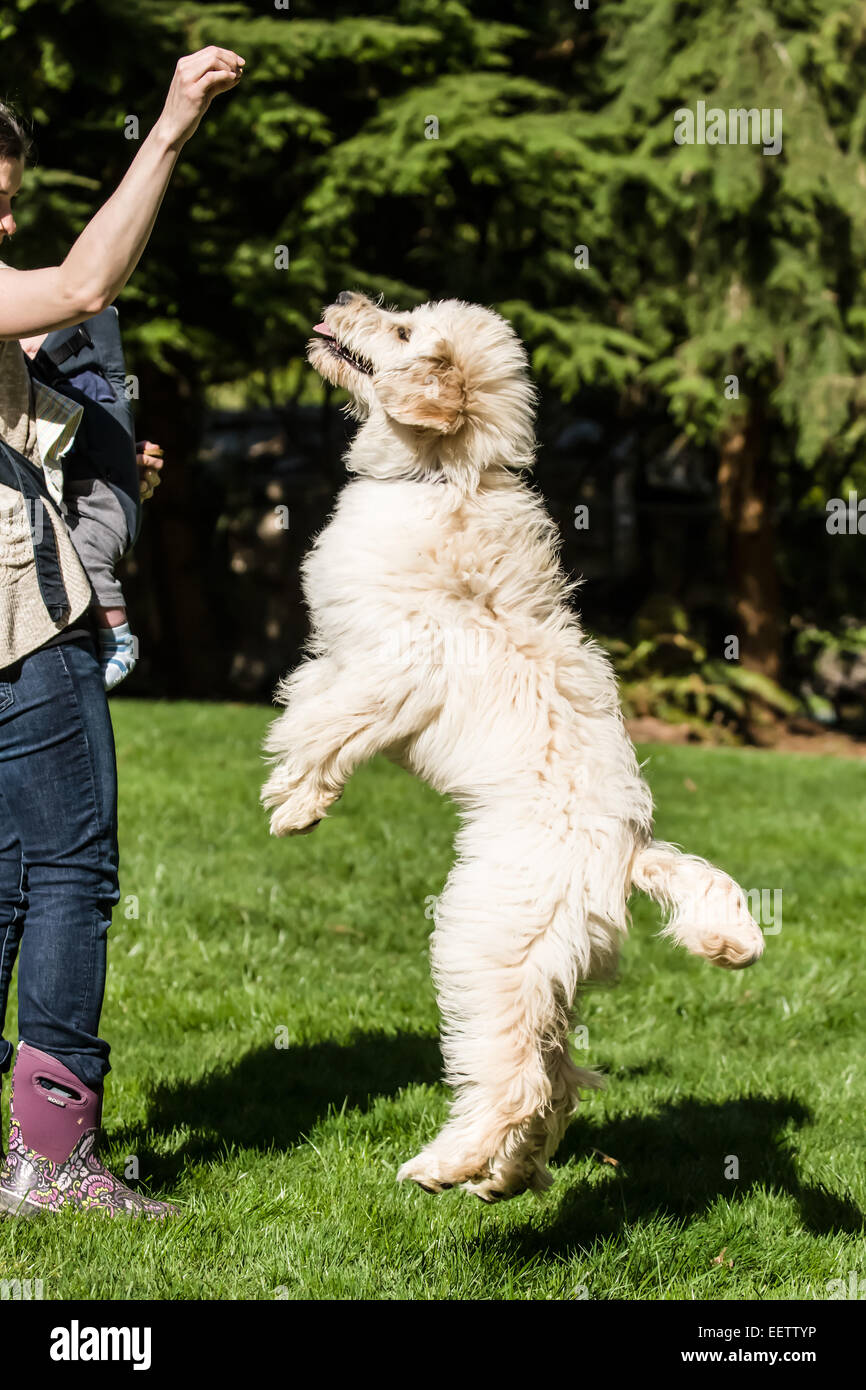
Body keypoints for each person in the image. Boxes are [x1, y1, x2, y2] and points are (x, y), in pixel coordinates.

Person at [0, 45, 245, 1219]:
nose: (4, 212)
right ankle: (51, 1161)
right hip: (20, 627)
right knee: (71, 876)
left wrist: (92, 452)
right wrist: (172, 124)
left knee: (4, 878)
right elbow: (88, 284)